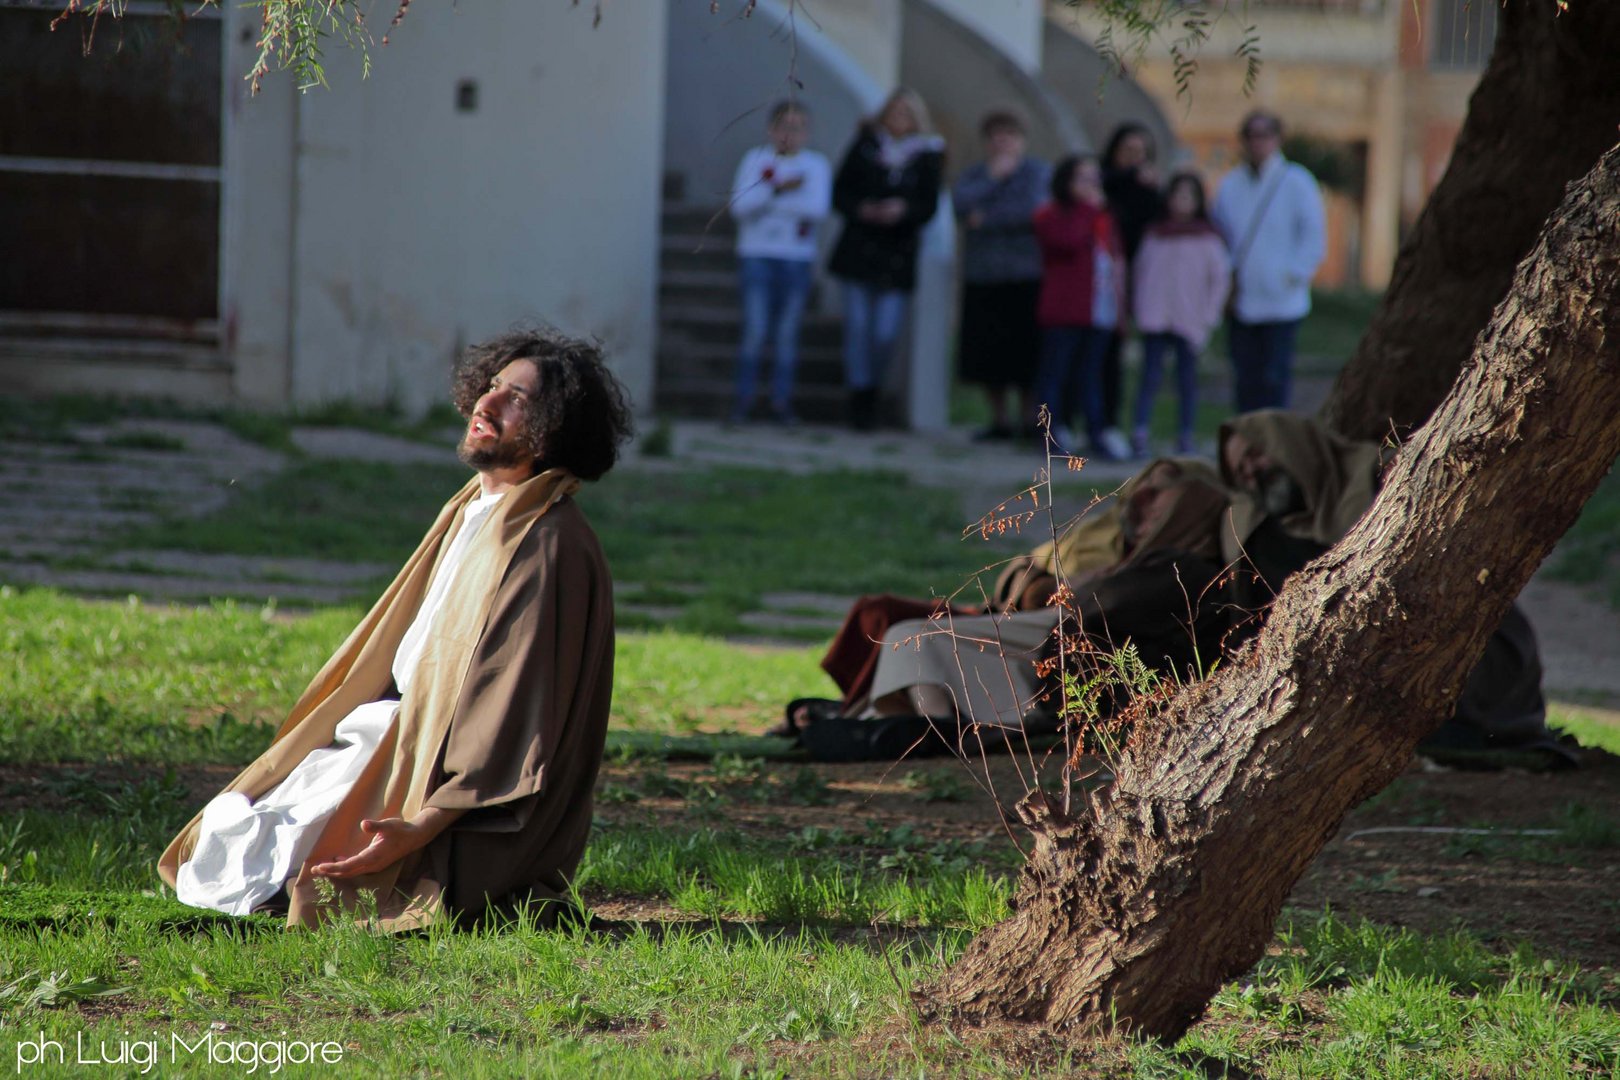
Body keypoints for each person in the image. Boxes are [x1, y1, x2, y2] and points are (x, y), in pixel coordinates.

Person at [159, 327, 635, 929]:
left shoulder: (546, 542)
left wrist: (421, 826)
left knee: (300, 874)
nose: (486, 406)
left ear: (555, 427)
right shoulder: (471, 509)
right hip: (393, 735)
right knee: (233, 840)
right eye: (491, 387)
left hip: (460, 797)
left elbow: (514, 723)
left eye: (516, 399)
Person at [788, 470, 1230, 762]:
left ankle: (926, 731)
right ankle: (904, 724)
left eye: (1159, 502)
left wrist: (1072, 587)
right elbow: (1028, 577)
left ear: (1187, 511)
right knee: (906, 629)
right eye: (1142, 497)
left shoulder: (1181, 566)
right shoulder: (1126, 551)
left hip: (1065, 639)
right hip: (1049, 626)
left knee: (914, 634)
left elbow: (1094, 605)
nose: (1141, 508)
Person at [1216, 410, 1569, 766]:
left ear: (1289, 442)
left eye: (1255, 454)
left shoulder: (1382, 479)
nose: (1253, 472)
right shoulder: (1264, 537)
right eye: (1241, 472)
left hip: (1471, 644)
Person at [828, 87, 945, 431]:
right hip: (860, 249)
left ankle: (873, 387)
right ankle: (859, 396)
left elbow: (929, 204)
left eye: (906, 114)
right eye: (894, 112)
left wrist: (903, 210)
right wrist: (863, 208)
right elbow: (840, 191)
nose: (899, 120)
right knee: (859, 328)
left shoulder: (926, 155)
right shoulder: (865, 146)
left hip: (896, 253)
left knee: (884, 331)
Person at [1210, 111, 1326, 412]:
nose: (1257, 142)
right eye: (1252, 135)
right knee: (1245, 378)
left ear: (1276, 139)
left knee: (1274, 377)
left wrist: (1293, 274)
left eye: (1264, 135)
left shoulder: (1297, 181)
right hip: (1243, 299)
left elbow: (1313, 235)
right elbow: (1219, 235)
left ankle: (1271, 445)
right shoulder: (1231, 184)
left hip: (1282, 300)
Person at [727, 100, 833, 425]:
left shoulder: (816, 165)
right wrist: (778, 191)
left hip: (796, 259)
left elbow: (817, 210)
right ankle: (743, 403)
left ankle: (781, 403)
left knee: (787, 335)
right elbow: (740, 207)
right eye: (784, 126)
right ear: (771, 130)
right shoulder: (755, 160)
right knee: (755, 331)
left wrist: (772, 200)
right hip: (757, 255)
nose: (790, 133)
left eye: (798, 127)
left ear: (807, 131)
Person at [951, 110, 1049, 442]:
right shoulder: (976, 174)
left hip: (1025, 275)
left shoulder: (1036, 172)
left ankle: (1028, 419)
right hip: (983, 276)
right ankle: (999, 420)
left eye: (1009, 133)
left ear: (1021, 139)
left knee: (1024, 353)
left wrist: (986, 218)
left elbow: (1033, 210)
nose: (1002, 140)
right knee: (986, 353)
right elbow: (960, 204)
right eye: (995, 134)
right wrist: (993, 180)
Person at [1130, 172, 1230, 456]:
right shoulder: (1155, 234)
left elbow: (1219, 280)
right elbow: (1140, 272)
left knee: (1186, 380)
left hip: (1190, 319)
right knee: (1149, 376)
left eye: (1189, 196)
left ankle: (1185, 433)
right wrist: (1140, 307)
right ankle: (1140, 430)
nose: (1182, 201)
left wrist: (1209, 317)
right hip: (1155, 316)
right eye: (1178, 195)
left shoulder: (1208, 238)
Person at [1032, 155, 1125, 457]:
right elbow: (1068, 242)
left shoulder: (1102, 217)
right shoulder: (1050, 215)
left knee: (1091, 375)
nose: (1091, 186)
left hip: (1099, 310)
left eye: (1095, 179)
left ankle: (1096, 432)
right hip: (1064, 309)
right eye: (1083, 178)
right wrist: (1089, 210)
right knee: (1055, 373)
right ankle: (1049, 433)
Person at [1098, 122, 1167, 459]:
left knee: (1115, 357)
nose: (1134, 160)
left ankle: (1112, 424)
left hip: (1135, 282)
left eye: (1141, 154)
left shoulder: (1151, 192)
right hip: (1098, 282)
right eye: (1128, 152)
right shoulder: (1099, 184)